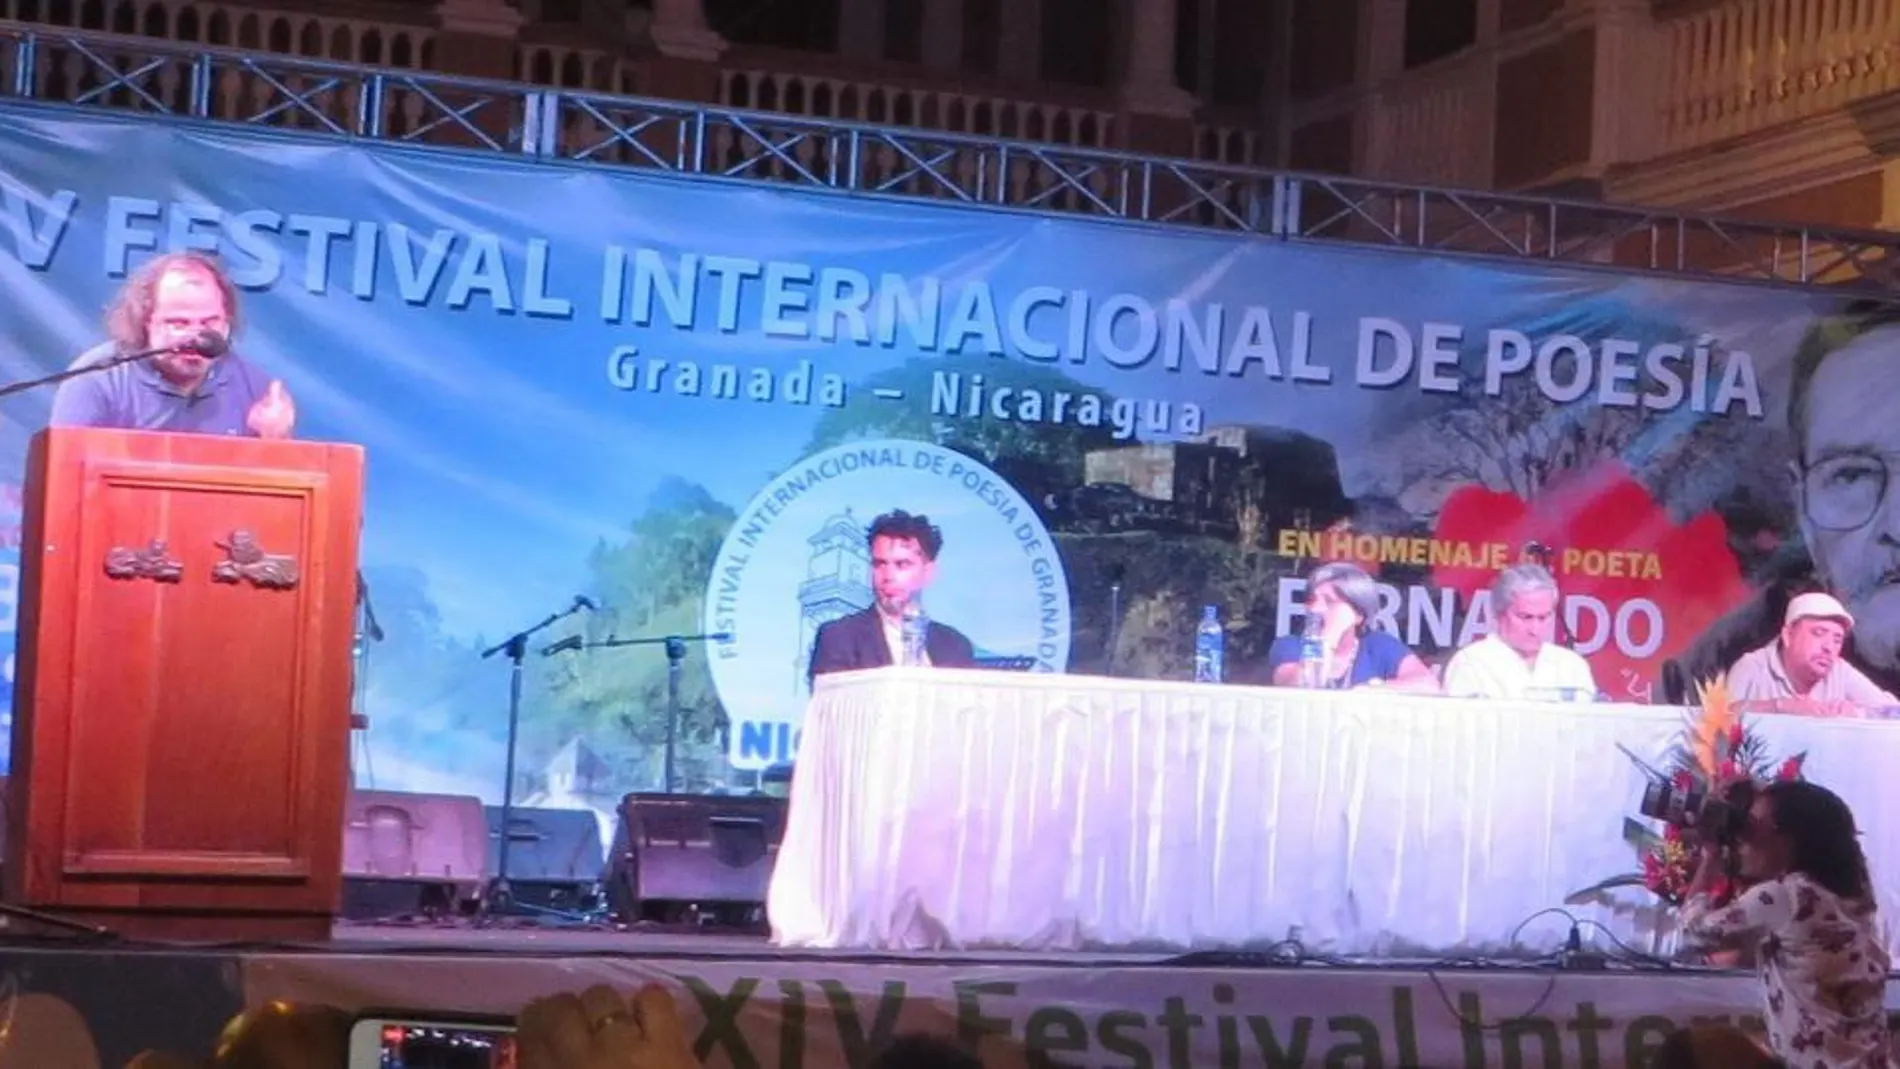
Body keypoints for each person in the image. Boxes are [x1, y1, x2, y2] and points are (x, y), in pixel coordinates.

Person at [1680, 780, 1891, 1069]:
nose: (1743, 840)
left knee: (1686, 1050)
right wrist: (1756, 795)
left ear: (1791, 838)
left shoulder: (1784, 896)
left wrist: (1710, 857)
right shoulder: (1855, 892)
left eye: (1752, 827)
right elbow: (1829, 828)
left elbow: (1693, 932)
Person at [49, 250, 295, 438]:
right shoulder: (97, 380)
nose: (197, 338)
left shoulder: (255, 392)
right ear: (146, 321)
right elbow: (66, 480)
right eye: (179, 323)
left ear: (227, 323)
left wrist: (274, 441)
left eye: (209, 323)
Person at [808, 509, 976, 680]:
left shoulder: (955, 646)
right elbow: (833, 704)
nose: (887, 576)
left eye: (901, 564)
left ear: (928, 571)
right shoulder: (839, 638)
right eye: (879, 564)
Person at [1256, 562, 1439, 691]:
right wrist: (1329, 636)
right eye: (1312, 600)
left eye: (1330, 602)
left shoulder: (1379, 645)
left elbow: (1428, 685)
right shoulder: (1291, 645)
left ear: (1358, 614)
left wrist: (1377, 690)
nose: (1315, 608)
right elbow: (1301, 683)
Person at [1442, 563, 1598, 701]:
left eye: (1543, 617)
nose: (1535, 629)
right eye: (1526, 617)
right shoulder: (1471, 664)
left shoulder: (1571, 665)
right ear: (1499, 614)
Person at [1727, 592, 1898, 716]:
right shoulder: (1752, 667)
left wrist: (1859, 713)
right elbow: (1715, 720)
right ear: (1788, 635)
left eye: (1837, 640)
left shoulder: (1840, 670)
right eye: (1818, 633)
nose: (1828, 647)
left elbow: (1894, 711)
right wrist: (1780, 706)